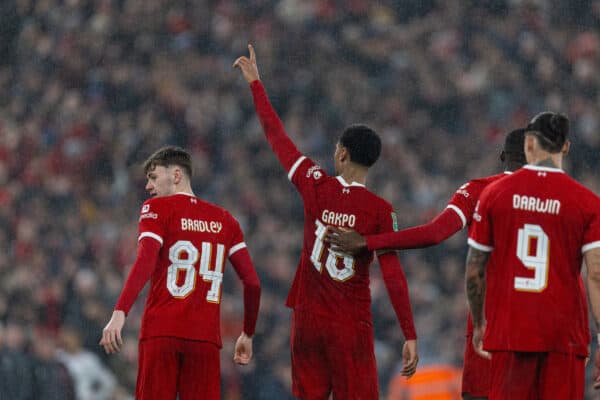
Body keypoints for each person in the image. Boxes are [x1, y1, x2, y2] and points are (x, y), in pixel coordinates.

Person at [234, 44, 418, 400]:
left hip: (307, 322)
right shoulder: (382, 210)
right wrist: (409, 333)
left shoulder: (315, 182)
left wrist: (256, 84)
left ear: (342, 153)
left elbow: (277, 137)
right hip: (350, 325)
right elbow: (393, 273)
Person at [326, 128, 526, 400]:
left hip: (489, 320)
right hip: (539, 324)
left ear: (503, 155)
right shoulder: (559, 199)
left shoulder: (479, 190)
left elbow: (434, 233)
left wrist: (369, 241)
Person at [99, 146, 261, 400]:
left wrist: (120, 312)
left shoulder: (157, 209)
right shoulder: (226, 220)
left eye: (153, 177)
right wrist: (248, 333)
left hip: (161, 332)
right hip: (205, 340)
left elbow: (145, 260)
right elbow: (252, 283)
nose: (148, 187)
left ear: (176, 175)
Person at [466, 112, 600, 399]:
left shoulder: (494, 194)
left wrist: (479, 323)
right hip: (564, 338)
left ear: (528, 145)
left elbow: (475, 270)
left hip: (510, 333)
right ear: (566, 147)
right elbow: (596, 274)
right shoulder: (587, 202)